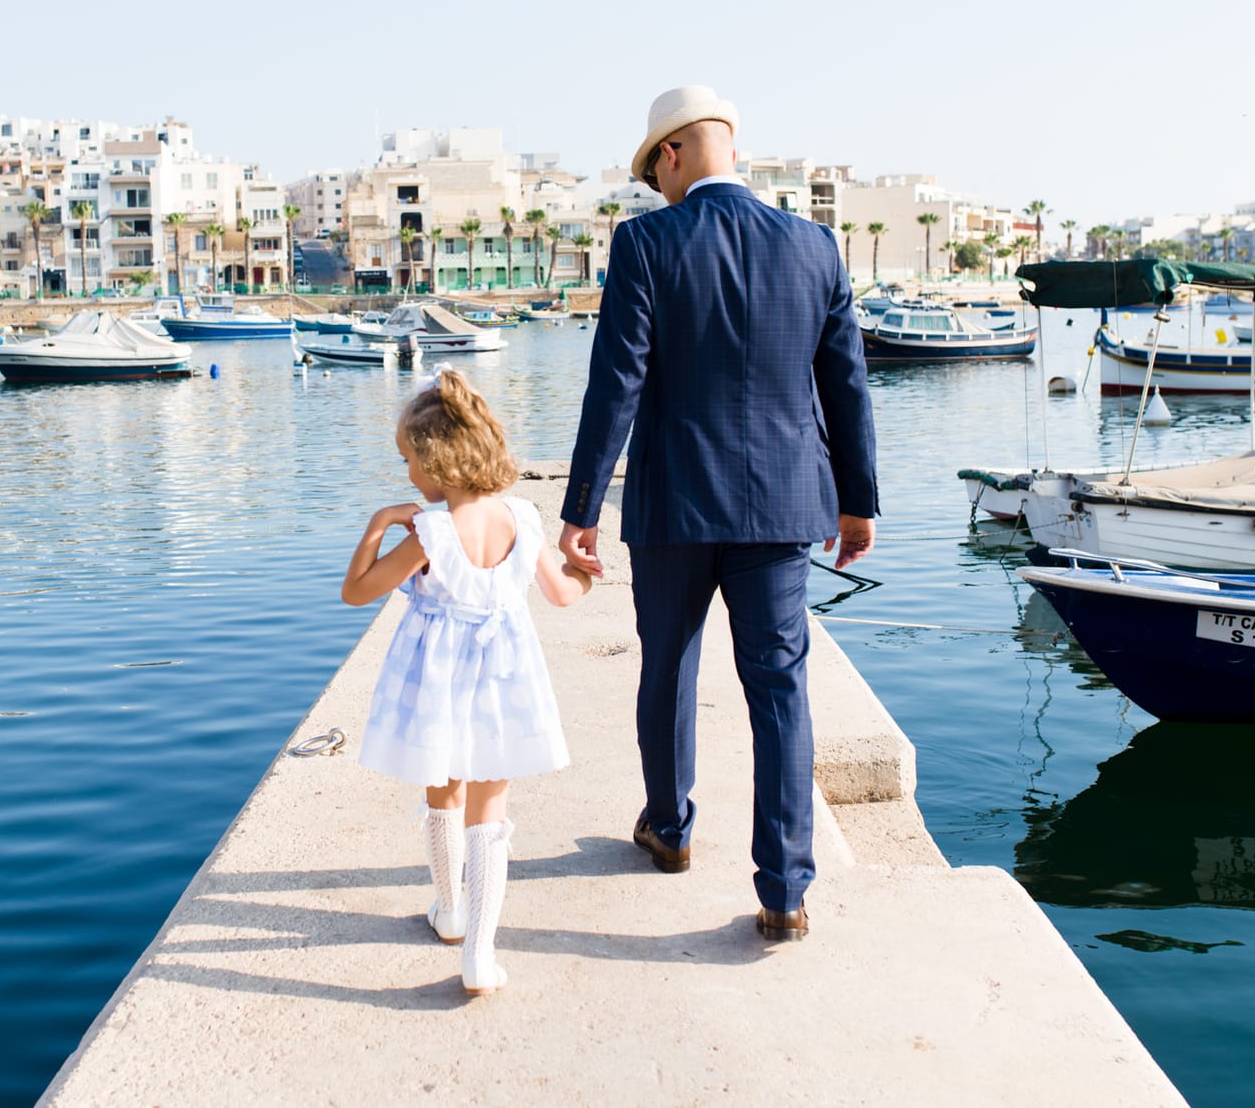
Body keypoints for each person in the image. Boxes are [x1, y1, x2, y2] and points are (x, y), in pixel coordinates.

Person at [558, 85, 879, 941]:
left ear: (671, 155)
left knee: (667, 669)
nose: (651, 188)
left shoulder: (646, 242)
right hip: (782, 507)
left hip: (672, 502)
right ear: (727, 148)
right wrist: (858, 502)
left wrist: (581, 505)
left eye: (649, 170)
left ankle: (669, 829)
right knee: (780, 689)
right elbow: (845, 384)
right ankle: (784, 890)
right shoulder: (815, 246)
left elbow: (615, 381)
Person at [341, 368, 594, 995]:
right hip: (504, 684)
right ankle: (480, 953)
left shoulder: (429, 533)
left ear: (438, 464)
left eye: (409, 462)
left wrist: (377, 524)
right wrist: (587, 573)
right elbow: (562, 594)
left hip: (437, 686)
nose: (407, 476)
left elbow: (356, 593)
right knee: (491, 811)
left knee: (443, 794)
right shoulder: (524, 518)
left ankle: (449, 911)